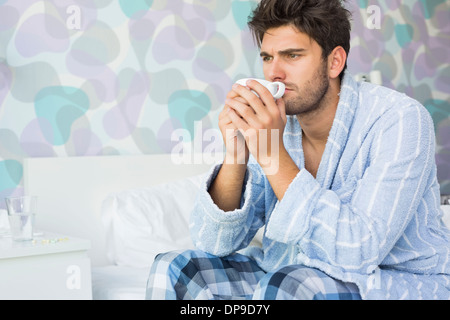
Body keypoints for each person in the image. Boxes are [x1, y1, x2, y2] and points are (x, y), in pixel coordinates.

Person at [146, 0, 450, 300]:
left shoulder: (399, 119)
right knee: (175, 269)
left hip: (389, 282)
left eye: (292, 55)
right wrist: (237, 153)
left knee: (286, 285)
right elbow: (214, 242)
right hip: (288, 272)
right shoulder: (276, 123)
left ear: (334, 62)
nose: (274, 73)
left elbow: (359, 251)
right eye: (267, 57)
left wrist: (270, 154)